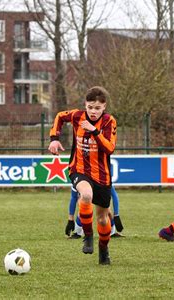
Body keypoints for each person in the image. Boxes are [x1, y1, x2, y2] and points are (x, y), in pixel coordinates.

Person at [49, 86, 117, 265]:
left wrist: (94, 131)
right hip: (79, 169)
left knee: (103, 218)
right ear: (85, 105)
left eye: (97, 108)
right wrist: (54, 138)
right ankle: (87, 235)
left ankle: (104, 249)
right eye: (90, 107)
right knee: (85, 195)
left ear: (104, 107)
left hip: (102, 175)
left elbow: (109, 148)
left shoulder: (109, 122)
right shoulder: (77, 116)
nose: (93, 111)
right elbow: (59, 117)